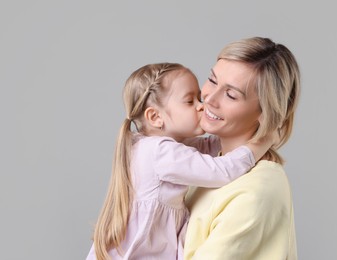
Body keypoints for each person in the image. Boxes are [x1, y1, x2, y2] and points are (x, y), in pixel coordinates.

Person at [86, 62, 275, 260]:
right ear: (155, 117)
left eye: (199, 97)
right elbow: (221, 171)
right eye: (189, 101)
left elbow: (210, 146)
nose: (201, 105)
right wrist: (263, 141)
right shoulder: (161, 153)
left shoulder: (151, 146)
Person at [183, 36, 301, 260]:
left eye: (231, 95)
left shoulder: (256, 191)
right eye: (212, 80)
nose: (210, 98)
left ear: (265, 112)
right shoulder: (207, 164)